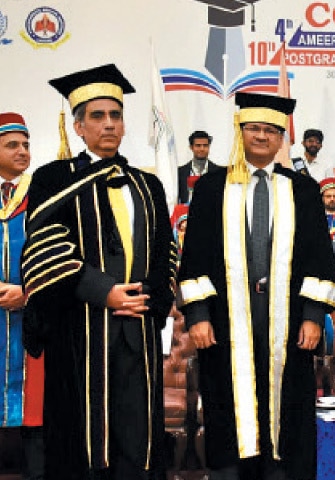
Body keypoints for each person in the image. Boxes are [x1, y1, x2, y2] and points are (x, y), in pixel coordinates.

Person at [21, 64, 176, 479]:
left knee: (136, 438)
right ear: (77, 126)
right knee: (82, 442)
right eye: (97, 116)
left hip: (137, 330)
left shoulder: (148, 184)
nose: (109, 124)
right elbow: (45, 247)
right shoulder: (53, 179)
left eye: (116, 115)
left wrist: (149, 295)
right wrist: (102, 291)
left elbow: (166, 252)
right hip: (79, 330)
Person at [178, 92, 335, 480]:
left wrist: (314, 316)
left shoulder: (302, 189)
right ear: (240, 131)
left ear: (282, 138)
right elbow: (194, 255)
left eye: (271, 130)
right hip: (224, 324)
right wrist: (198, 315)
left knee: (288, 413)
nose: (262, 136)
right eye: (254, 128)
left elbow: (320, 256)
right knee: (227, 407)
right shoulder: (211, 188)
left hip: (288, 323)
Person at [0, 112, 44, 480]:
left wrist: (27, 292)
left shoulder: (43, 198)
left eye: (26, 144)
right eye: (12, 144)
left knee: (37, 423)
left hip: (34, 325)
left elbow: (67, 260)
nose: (23, 151)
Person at [178, 130, 223, 204]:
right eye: (198, 145)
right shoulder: (180, 173)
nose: (202, 149)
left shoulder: (219, 172)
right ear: (191, 147)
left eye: (205, 145)